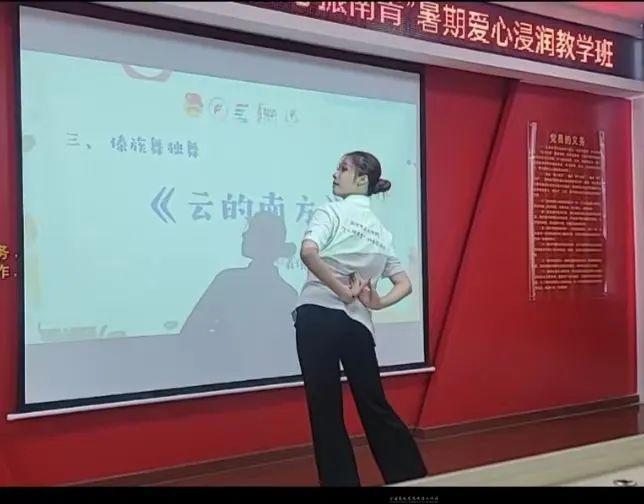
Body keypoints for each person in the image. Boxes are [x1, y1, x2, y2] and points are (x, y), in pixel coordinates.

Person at [293, 151, 428, 486]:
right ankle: (412, 479)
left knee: (325, 411)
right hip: (357, 324)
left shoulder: (330, 211)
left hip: (317, 316)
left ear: (362, 180)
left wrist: (340, 290)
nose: (334, 174)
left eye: (342, 169)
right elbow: (405, 284)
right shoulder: (381, 232)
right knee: (374, 404)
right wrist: (377, 303)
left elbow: (308, 251)